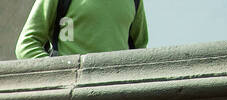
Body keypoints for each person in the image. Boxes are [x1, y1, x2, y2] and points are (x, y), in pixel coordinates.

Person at [16, 0, 147, 59]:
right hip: (70, 99)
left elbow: (140, 51)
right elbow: (27, 44)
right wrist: (57, 73)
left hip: (117, 98)